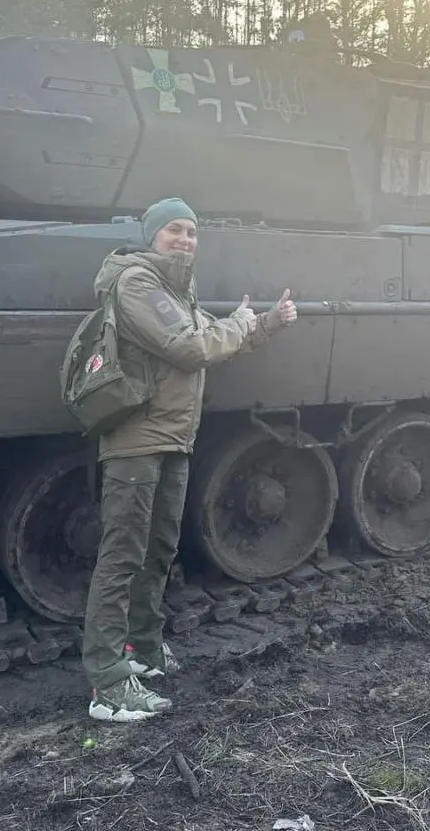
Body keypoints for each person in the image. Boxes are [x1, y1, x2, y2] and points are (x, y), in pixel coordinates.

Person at [83, 197, 297, 722]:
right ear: (152, 235)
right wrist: (239, 323)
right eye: (175, 230)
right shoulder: (137, 283)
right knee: (122, 557)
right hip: (137, 439)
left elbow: (210, 336)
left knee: (158, 550)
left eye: (192, 233)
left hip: (173, 438)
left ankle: (143, 649)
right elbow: (191, 348)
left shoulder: (176, 289)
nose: (185, 240)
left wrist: (264, 324)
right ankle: (108, 685)